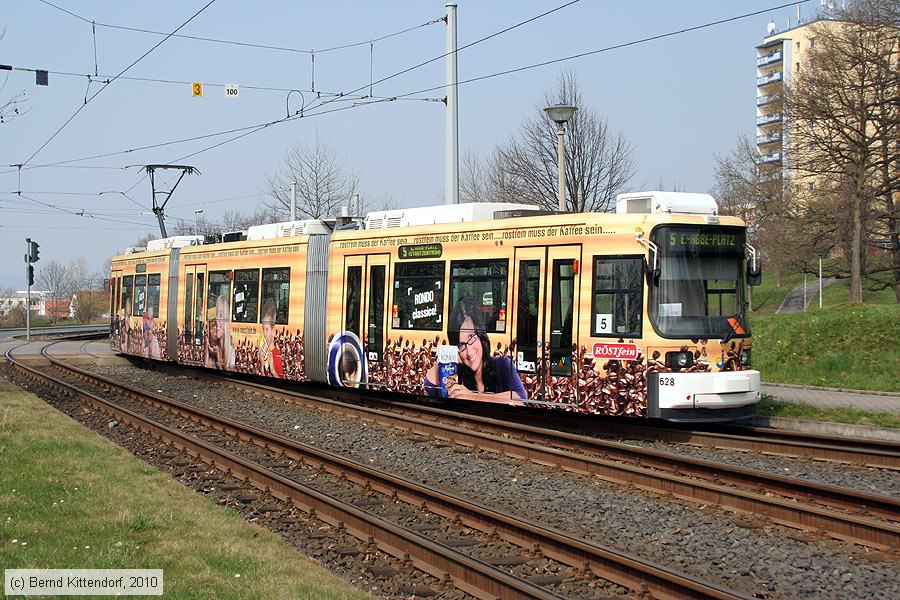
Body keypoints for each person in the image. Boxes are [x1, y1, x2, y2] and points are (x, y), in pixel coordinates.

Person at [424, 297, 527, 403]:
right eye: (461, 345)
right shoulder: (455, 375)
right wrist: (449, 357)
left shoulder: (502, 364)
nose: (469, 352)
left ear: (481, 334)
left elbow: (521, 399)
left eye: (471, 337)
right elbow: (428, 385)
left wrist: (472, 396)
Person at [205, 294, 235, 370]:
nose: (217, 321)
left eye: (221, 316)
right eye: (216, 315)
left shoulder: (231, 350)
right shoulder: (212, 345)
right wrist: (207, 351)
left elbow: (228, 374)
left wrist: (217, 355)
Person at [259, 299, 284, 378]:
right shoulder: (261, 352)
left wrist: (272, 370)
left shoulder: (278, 355)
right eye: (263, 329)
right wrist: (262, 369)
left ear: (273, 330)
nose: (264, 334)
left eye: (267, 329)